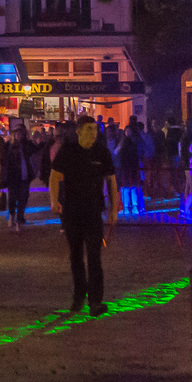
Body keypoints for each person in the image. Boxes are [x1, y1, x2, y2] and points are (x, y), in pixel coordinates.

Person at [49, 113, 120, 315]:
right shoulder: (68, 151)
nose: (93, 133)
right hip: (72, 211)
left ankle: (95, 300)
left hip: (93, 212)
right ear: (79, 131)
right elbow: (54, 176)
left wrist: (114, 209)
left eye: (95, 129)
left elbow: (111, 180)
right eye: (89, 129)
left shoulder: (102, 152)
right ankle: (79, 297)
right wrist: (54, 200)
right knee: (76, 256)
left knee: (95, 256)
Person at [3, 121, 33, 230]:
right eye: (17, 133)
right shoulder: (9, 146)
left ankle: (19, 219)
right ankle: (12, 215)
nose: (19, 136)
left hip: (24, 176)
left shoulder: (27, 145)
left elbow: (34, 151)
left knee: (23, 198)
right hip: (12, 176)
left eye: (21, 133)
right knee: (12, 198)